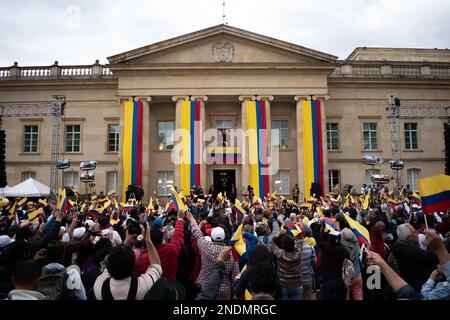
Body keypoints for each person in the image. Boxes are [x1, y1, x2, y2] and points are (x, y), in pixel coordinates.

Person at [92, 222, 162, 300]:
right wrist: (148, 240)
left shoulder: (99, 286)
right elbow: (156, 266)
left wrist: (126, 240)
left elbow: (110, 265)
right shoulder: (143, 286)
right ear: (133, 265)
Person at [187, 212, 239, 300]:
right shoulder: (231, 252)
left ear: (211, 237)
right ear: (224, 237)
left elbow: (197, 233)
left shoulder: (205, 246)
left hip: (207, 287)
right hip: (225, 291)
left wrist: (191, 218)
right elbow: (235, 275)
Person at [392, 223, 439, 291]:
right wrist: (434, 244)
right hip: (421, 285)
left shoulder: (397, 245)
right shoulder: (411, 251)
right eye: (414, 232)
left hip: (410, 282)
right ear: (409, 237)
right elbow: (431, 258)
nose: (417, 233)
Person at [268, 229, 303, 300]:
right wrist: (296, 230)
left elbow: (271, 243)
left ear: (283, 245)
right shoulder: (298, 252)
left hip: (283, 285)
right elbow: (300, 239)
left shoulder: (280, 254)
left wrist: (277, 235)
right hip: (297, 284)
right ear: (293, 244)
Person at [341, 228, 362, 300]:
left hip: (346, 276)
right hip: (357, 274)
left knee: (346, 296)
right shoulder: (356, 245)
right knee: (358, 296)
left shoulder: (342, 248)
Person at [300, 234, 316, 300]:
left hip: (297, 279)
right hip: (308, 278)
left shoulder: (294, 249)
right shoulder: (311, 248)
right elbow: (314, 263)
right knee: (307, 297)